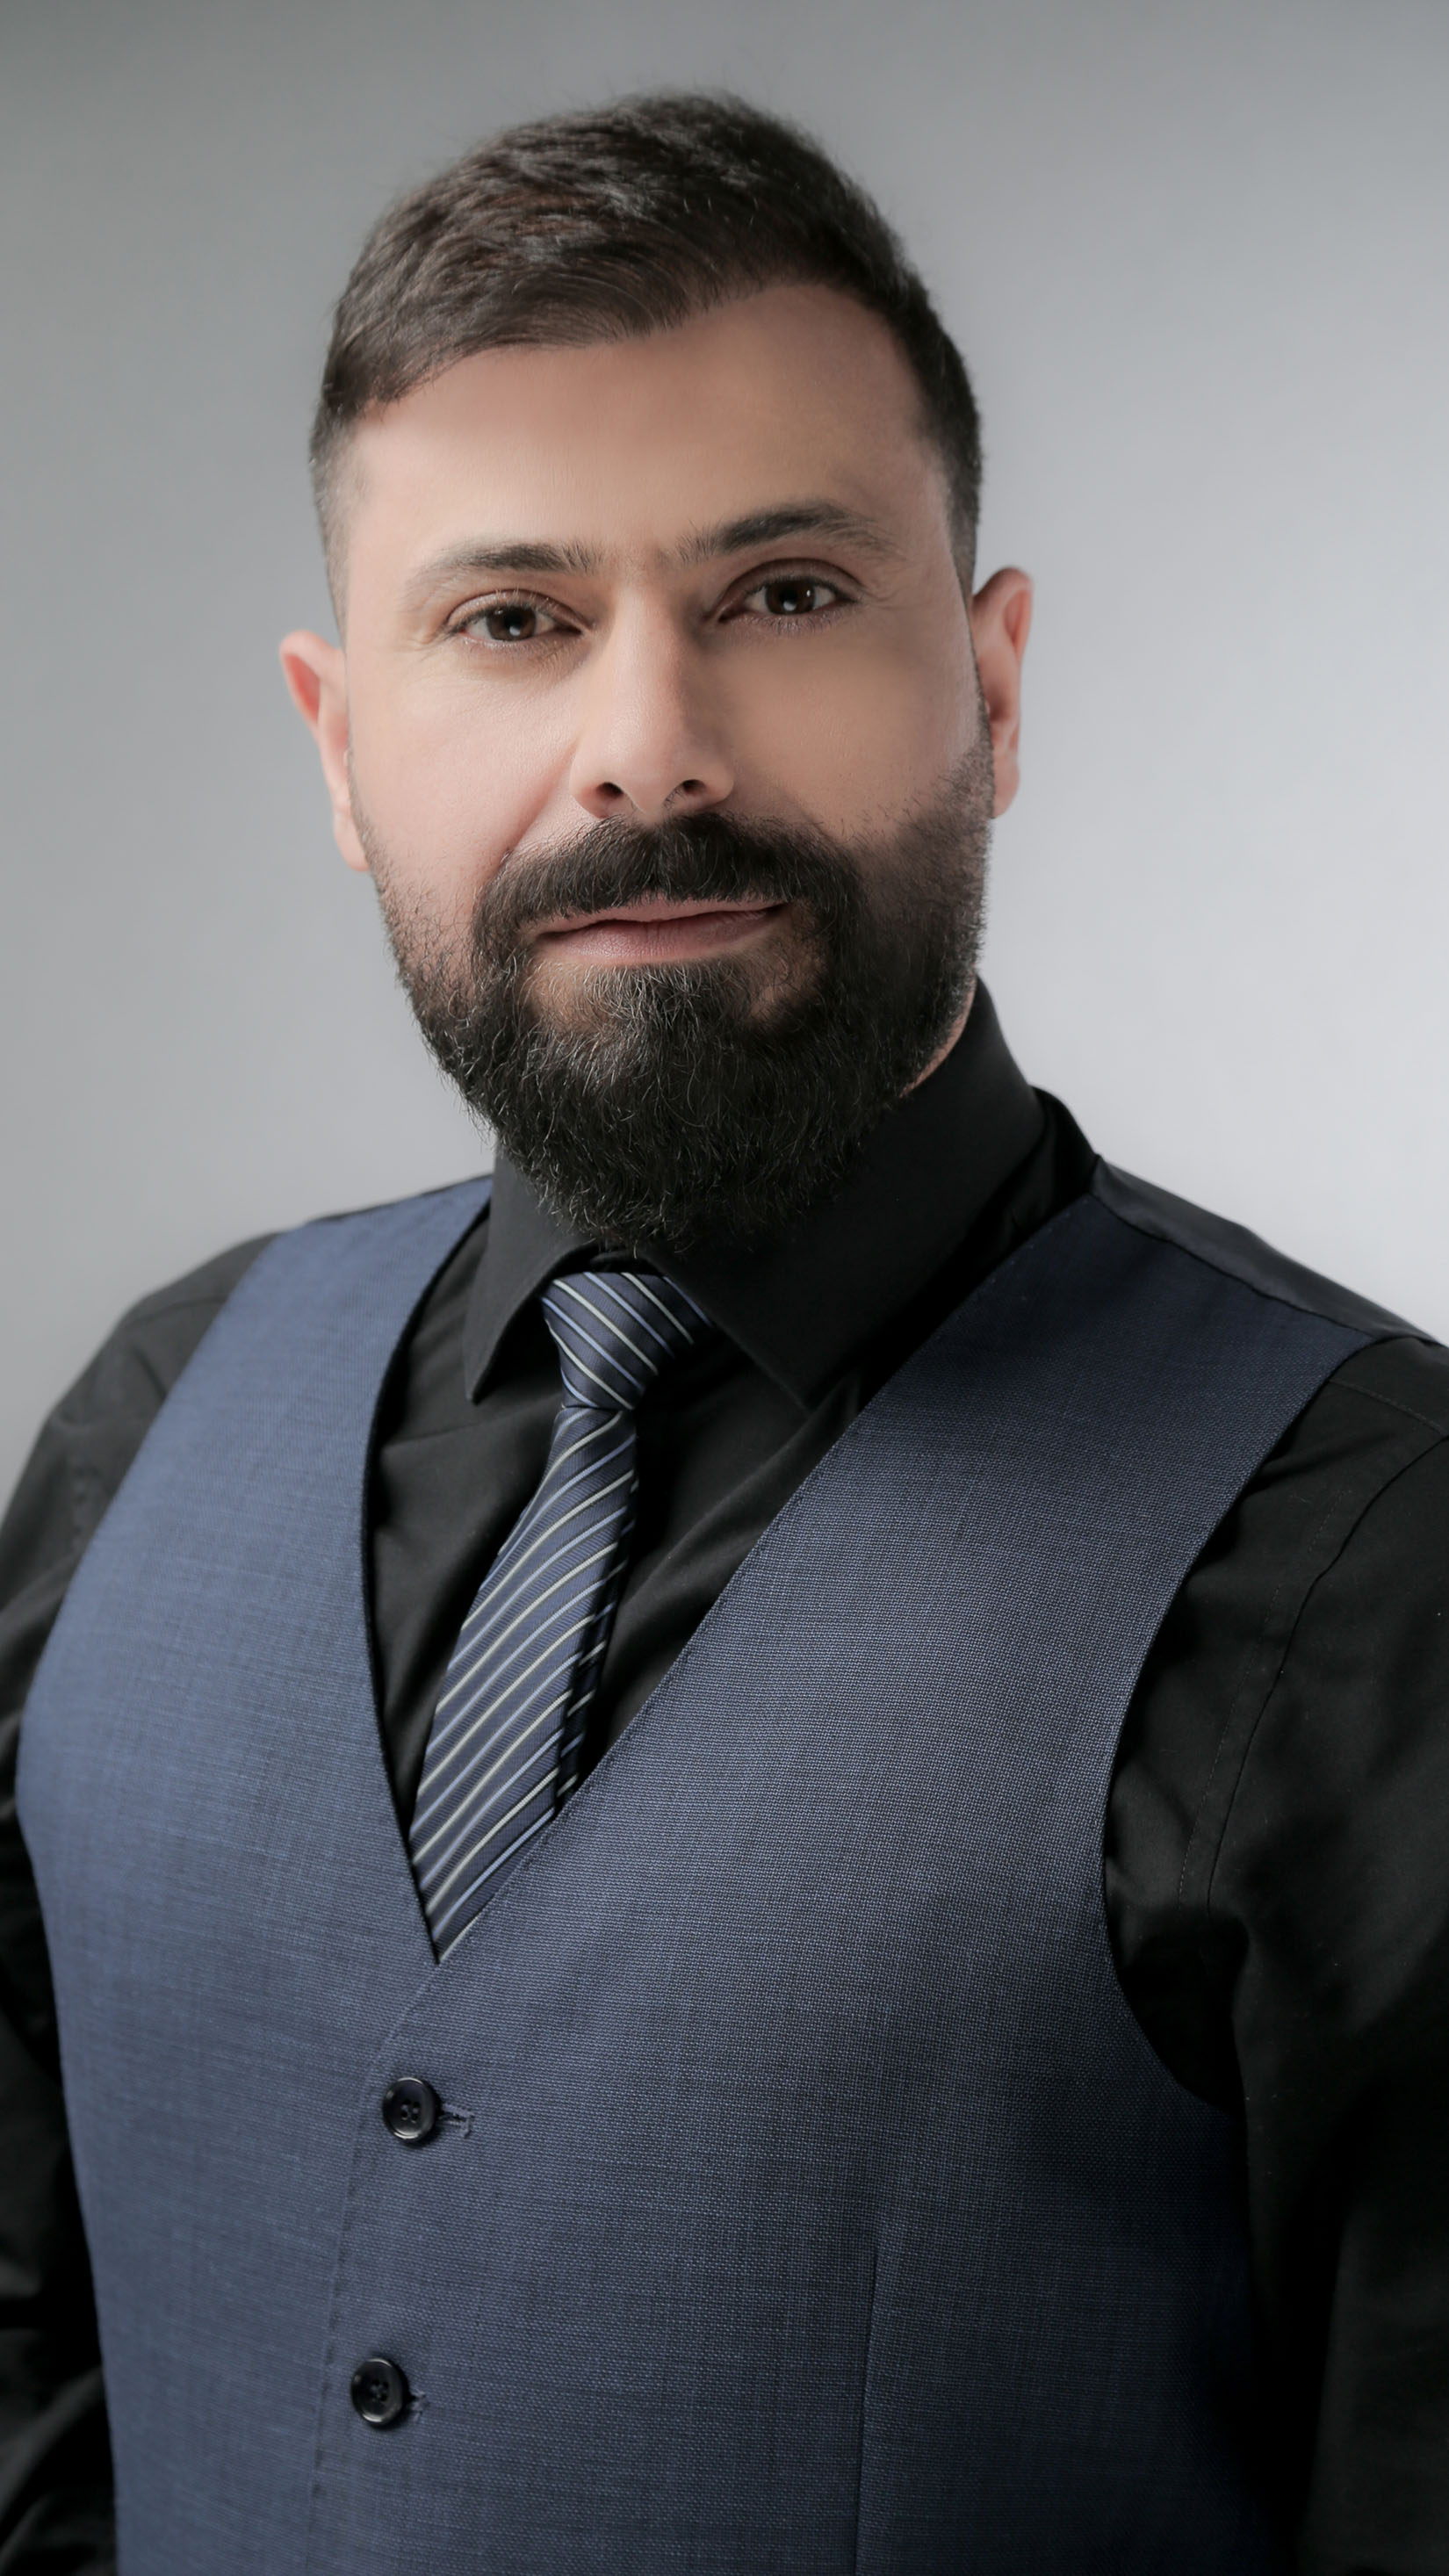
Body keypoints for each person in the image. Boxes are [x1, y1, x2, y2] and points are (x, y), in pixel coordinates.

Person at [1, 91, 1445, 2576]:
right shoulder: (148, 1428)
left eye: (782, 592)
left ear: (990, 683)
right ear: (341, 748)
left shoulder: (1378, 1554)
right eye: (512, 619)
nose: (647, 742)